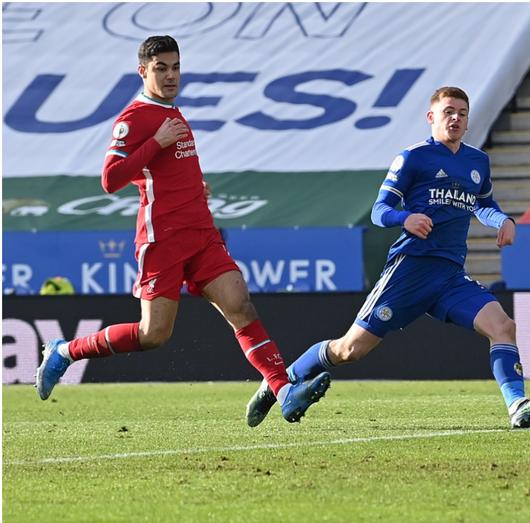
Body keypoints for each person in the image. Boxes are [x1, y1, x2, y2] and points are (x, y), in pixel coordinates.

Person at [34, 35, 330, 423]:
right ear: (143, 71)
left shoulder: (172, 110)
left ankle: (283, 389)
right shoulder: (134, 119)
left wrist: (194, 187)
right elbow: (110, 179)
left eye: (175, 67)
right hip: (163, 239)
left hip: (201, 232)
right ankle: (64, 352)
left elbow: (167, 171)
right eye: (161, 68)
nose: (171, 75)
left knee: (240, 305)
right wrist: (155, 143)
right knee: (153, 334)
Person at [244, 86, 530, 428]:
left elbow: (483, 204)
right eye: (448, 112)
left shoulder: (477, 161)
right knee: (351, 350)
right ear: (431, 117)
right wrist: (404, 218)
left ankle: (517, 406)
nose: (455, 118)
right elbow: (379, 210)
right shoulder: (413, 157)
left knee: (503, 326)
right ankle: (280, 381)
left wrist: (503, 220)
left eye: (461, 113)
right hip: (410, 270)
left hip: (450, 275)